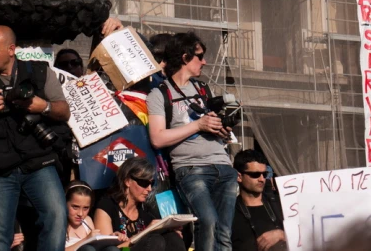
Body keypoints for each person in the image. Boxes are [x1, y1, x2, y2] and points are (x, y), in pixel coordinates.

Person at [0, 25, 71, 251]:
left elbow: (64, 111)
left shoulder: (41, 72)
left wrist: (42, 106)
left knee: (56, 217)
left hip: (38, 163)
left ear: (11, 49)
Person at [146, 32, 237, 251]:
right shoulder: (160, 94)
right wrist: (198, 125)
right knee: (207, 222)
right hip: (191, 168)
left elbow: (211, 124)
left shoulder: (203, 90)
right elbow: (157, 138)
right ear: (185, 58)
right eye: (200, 56)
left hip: (223, 165)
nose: (204, 61)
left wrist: (222, 128)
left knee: (224, 234)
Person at [94, 157, 186, 251]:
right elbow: (106, 249)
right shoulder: (107, 206)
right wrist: (146, 232)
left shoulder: (144, 211)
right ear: (127, 181)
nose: (149, 189)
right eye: (144, 183)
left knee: (173, 237)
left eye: (152, 183)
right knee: (154, 240)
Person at [231, 150, 285, 251]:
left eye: (264, 174)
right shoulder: (229, 211)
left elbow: (308, 235)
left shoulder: (280, 204)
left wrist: (282, 235)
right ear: (239, 176)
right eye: (255, 174)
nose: (262, 179)